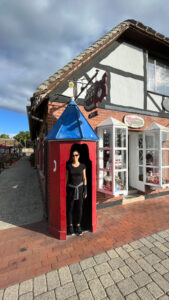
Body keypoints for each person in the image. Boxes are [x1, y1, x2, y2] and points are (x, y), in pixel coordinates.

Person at [66, 150, 87, 236]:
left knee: (79, 208)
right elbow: (66, 179)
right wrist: (65, 190)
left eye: (76, 155)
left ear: (79, 156)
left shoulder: (82, 166)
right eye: (73, 155)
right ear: (71, 157)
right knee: (70, 208)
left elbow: (84, 178)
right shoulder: (69, 166)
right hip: (71, 189)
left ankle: (78, 225)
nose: (74, 157)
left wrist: (85, 190)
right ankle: (70, 225)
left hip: (80, 189)